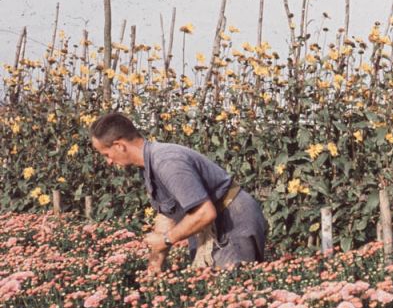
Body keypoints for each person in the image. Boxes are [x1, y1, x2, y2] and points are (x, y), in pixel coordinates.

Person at [90, 112, 266, 272]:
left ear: (119, 145)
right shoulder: (148, 166)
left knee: (230, 291)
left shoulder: (167, 163)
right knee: (206, 285)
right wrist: (154, 267)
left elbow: (205, 213)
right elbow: (166, 217)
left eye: (106, 154)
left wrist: (167, 239)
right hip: (211, 222)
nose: (109, 162)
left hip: (231, 217)